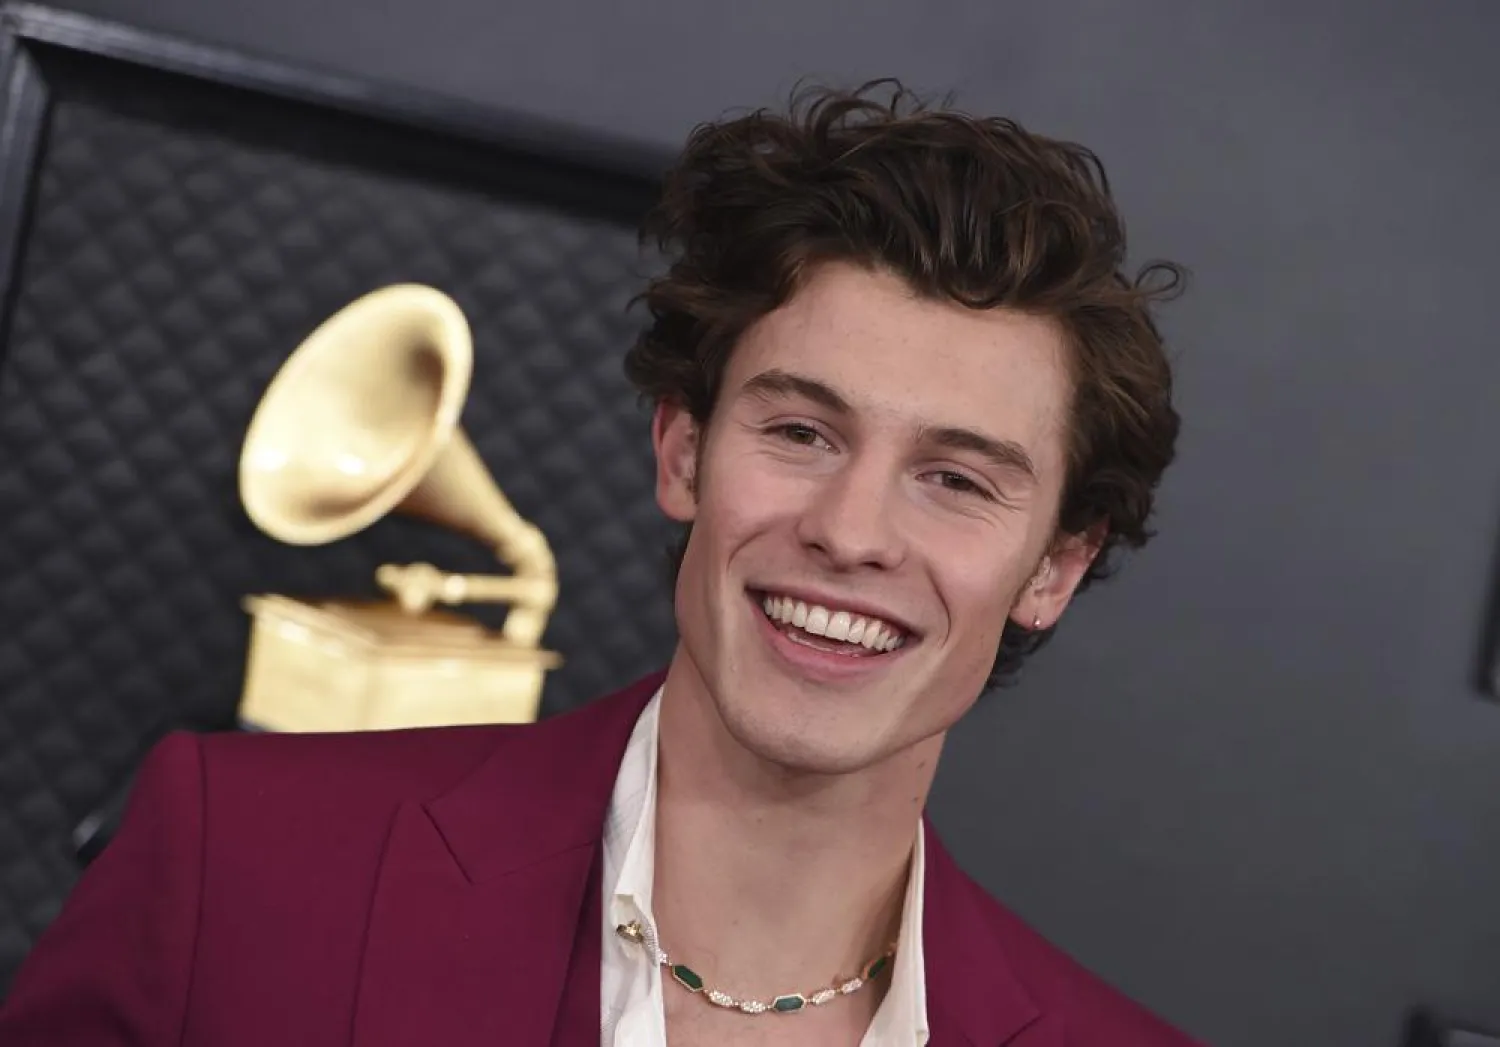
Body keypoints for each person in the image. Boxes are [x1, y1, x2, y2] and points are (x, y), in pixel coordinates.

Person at [0, 81, 1200, 1045]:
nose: (852, 531)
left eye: (957, 478)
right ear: (682, 451)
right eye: (799, 432)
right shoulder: (236, 869)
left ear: (1053, 567)